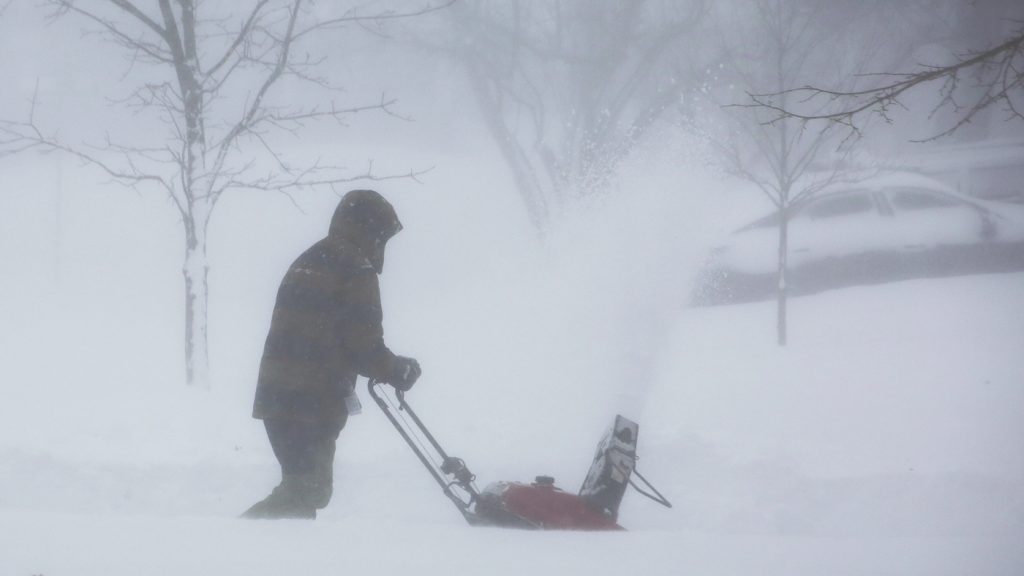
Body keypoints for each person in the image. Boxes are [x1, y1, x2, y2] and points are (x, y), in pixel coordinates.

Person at [242, 189, 421, 520]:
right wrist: (395, 370)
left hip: (279, 397)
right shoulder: (355, 267)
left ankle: (270, 555)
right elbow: (363, 342)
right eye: (382, 237)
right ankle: (233, 544)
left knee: (302, 490)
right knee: (305, 491)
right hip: (310, 401)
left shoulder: (314, 257)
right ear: (372, 232)